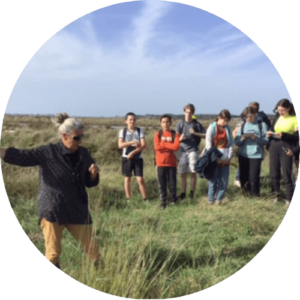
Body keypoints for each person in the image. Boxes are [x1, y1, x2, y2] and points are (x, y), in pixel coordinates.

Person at [0, 113, 101, 269]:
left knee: (94, 252)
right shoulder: (48, 152)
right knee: (53, 254)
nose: (80, 141)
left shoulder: (84, 154)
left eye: (82, 137)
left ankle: (101, 279)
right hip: (53, 208)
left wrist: (93, 175)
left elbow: (88, 182)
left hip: (77, 209)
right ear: (64, 136)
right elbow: (23, 157)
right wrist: (2, 151)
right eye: (77, 138)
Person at [267, 99, 298, 208]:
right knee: (274, 172)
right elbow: (272, 128)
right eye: (278, 110)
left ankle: (289, 198)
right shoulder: (277, 117)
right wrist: (270, 134)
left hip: (287, 146)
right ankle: (275, 195)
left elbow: (296, 137)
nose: (280, 112)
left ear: (288, 108)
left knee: (287, 173)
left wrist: (284, 135)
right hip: (274, 145)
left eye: (282, 110)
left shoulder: (294, 119)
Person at [234, 106, 269, 196]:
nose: (249, 119)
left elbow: (266, 140)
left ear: (255, 115)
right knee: (243, 177)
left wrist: (256, 138)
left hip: (256, 155)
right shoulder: (243, 125)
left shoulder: (262, 125)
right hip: (243, 154)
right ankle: (245, 196)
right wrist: (242, 138)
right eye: (247, 117)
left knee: (254, 178)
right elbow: (236, 141)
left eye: (251, 116)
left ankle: (255, 196)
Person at [175, 104, 206, 200]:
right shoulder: (180, 124)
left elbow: (206, 136)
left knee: (193, 171)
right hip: (181, 150)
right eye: (187, 112)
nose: (188, 114)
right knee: (182, 173)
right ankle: (183, 193)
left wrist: (195, 133)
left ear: (193, 113)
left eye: (190, 112)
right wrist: (180, 138)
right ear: (184, 112)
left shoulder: (197, 124)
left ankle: (191, 193)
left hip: (193, 150)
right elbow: (175, 139)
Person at [205, 109, 233, 205]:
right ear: (219, 118)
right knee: (213, 181)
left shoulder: (228, 129)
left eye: (227, 121)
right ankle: (210, 200)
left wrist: (228, 157)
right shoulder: (212, 127)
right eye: (224, 120)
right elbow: (208, 145)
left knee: (224, 181)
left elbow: (230, 144)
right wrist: (216, 159)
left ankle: (219, 200)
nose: (225, 123)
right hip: (214, 158)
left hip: (225, 158)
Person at [118, 112, 147, 201]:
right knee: (127, 179)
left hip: (137, 158)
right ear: (126, 121)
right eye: (130, 120)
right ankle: (128, 199)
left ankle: (145, 198)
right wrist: (132, 142)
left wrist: (133, 153)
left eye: (134, 119)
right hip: (126, 158)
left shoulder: (139, 130)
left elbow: (143, 145)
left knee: (140, 179)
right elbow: (120, 145)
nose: (132, 121)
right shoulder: (123, 131)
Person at [154, 114, 180, 209]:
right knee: (162, 184)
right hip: (160, 163)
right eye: (163, 122)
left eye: (167, 122)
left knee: (172, 183)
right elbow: (157, 147)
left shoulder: (175, 134)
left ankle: (174, 200)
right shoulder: (158, 134)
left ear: (171, 123)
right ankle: (163, 201)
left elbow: (176, 147)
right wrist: (170, 146)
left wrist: (164, 144)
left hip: (172, 163)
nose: (166, 124)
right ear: (161, 123)